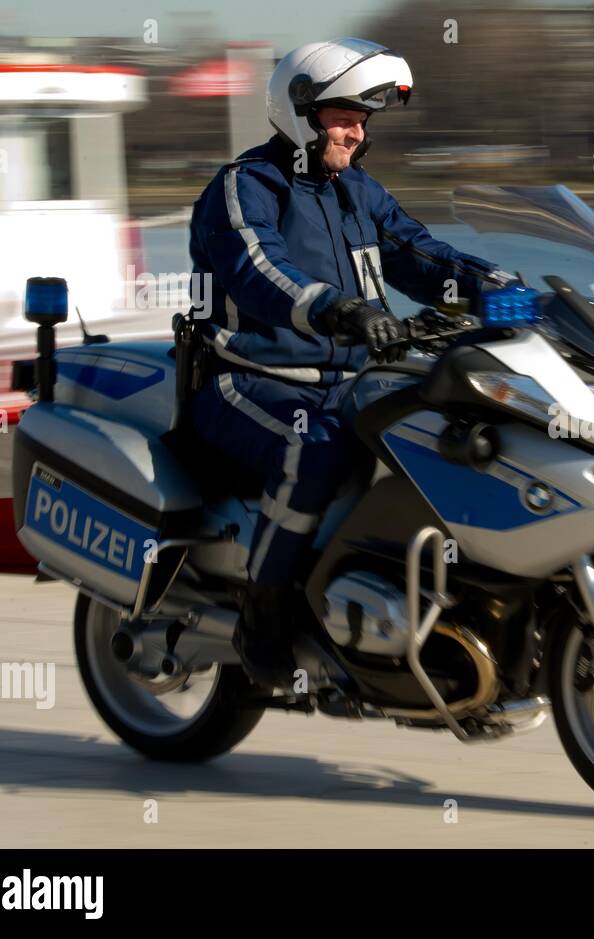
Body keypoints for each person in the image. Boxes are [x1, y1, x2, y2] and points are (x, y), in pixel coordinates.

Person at [187, 37, 511, 690]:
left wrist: (502, 286)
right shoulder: (246, 187)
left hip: (348, 382)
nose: (356, 131)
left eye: (363, 120)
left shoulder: (359, 194)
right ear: (299, 109)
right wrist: (340, 310)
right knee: (317, 443)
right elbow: (258, 269)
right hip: (248, 380)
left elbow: (422, 256)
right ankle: (265, 609)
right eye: (342, 116)